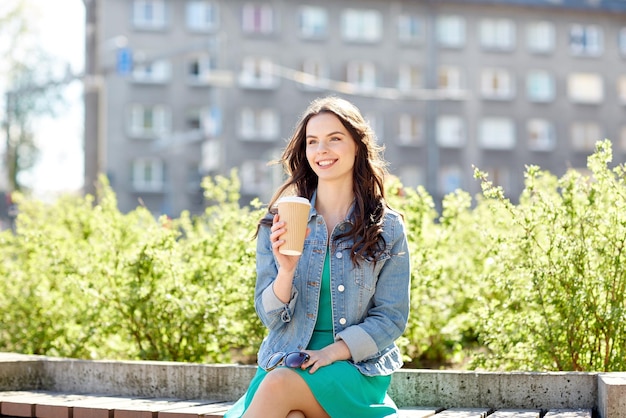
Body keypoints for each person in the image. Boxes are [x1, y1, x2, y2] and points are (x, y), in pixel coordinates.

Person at [225, 96, 411, 418]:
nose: (321, 150)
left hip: (354, 370)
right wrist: (286, 271)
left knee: (280, 386)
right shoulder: (278, 222)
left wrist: (330, 353)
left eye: (334, 139)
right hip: (287, 361)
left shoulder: (387, 227)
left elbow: (391, 318)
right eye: (313, 142)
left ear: (357, 146)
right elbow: (269, 317)